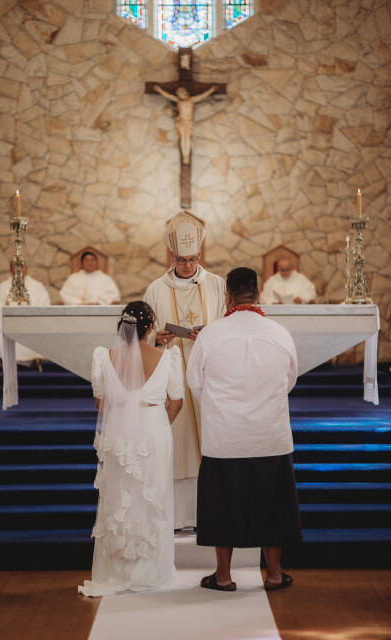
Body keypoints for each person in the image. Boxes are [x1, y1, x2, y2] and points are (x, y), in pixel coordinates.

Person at [187, 267, 302, 591]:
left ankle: (223, 576)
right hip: (270, 435)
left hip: (225, 436)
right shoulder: (279, 333)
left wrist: (221, 407)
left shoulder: (211, 334)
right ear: (258, 293)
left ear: (228, 296)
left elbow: (195, 382)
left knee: (222, 505)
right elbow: (289, 380)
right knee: (273, 505)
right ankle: (275, 574)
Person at [78, 301, 184, 596]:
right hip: (154, 430)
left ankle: (117, 569)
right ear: (150, 328)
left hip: (118, 432)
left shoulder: (104, 357)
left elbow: (100, 402)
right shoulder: (168, 358)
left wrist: (125, 416)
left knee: (119, 495)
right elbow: (176, 401)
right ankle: (151, 571)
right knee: (153, 494)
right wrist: (157, 425)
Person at [143, 210, 226, 529]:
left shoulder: (217, 285)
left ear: (200, 254)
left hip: (208, 377)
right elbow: (145, 336)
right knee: (177, 446)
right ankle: (177, 517)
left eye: (192, 259)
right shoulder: (155, 289)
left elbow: (227, 327)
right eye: (182, 260)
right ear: (172, 256)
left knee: (208, 443)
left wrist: (210, 335)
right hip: (171, 379)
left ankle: (210, 514)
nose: (188, 266)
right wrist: (158, 339)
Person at [0, 262, 51, 365]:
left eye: (21, 266)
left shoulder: (37, 286)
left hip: (32, 320)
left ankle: (34, 361)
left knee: (41, 325)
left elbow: (45, 306)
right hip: (9, 321)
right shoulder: (2, 287)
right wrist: (10, 313)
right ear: (10, 269)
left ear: (26, 268)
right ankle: (5, 362)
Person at [153, 85, 218, 164]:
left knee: (188, 138)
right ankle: (184, 155)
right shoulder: (178, 101)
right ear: (178, 94)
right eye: (182, 92)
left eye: (185, 91)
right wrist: (160, 90)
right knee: (183, 138)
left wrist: (211, 90)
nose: (185, 93)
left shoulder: (192, 100)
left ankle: (187, 154)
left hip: (189, 122)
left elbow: (203, 95)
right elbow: (168, 95)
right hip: (182, 122)